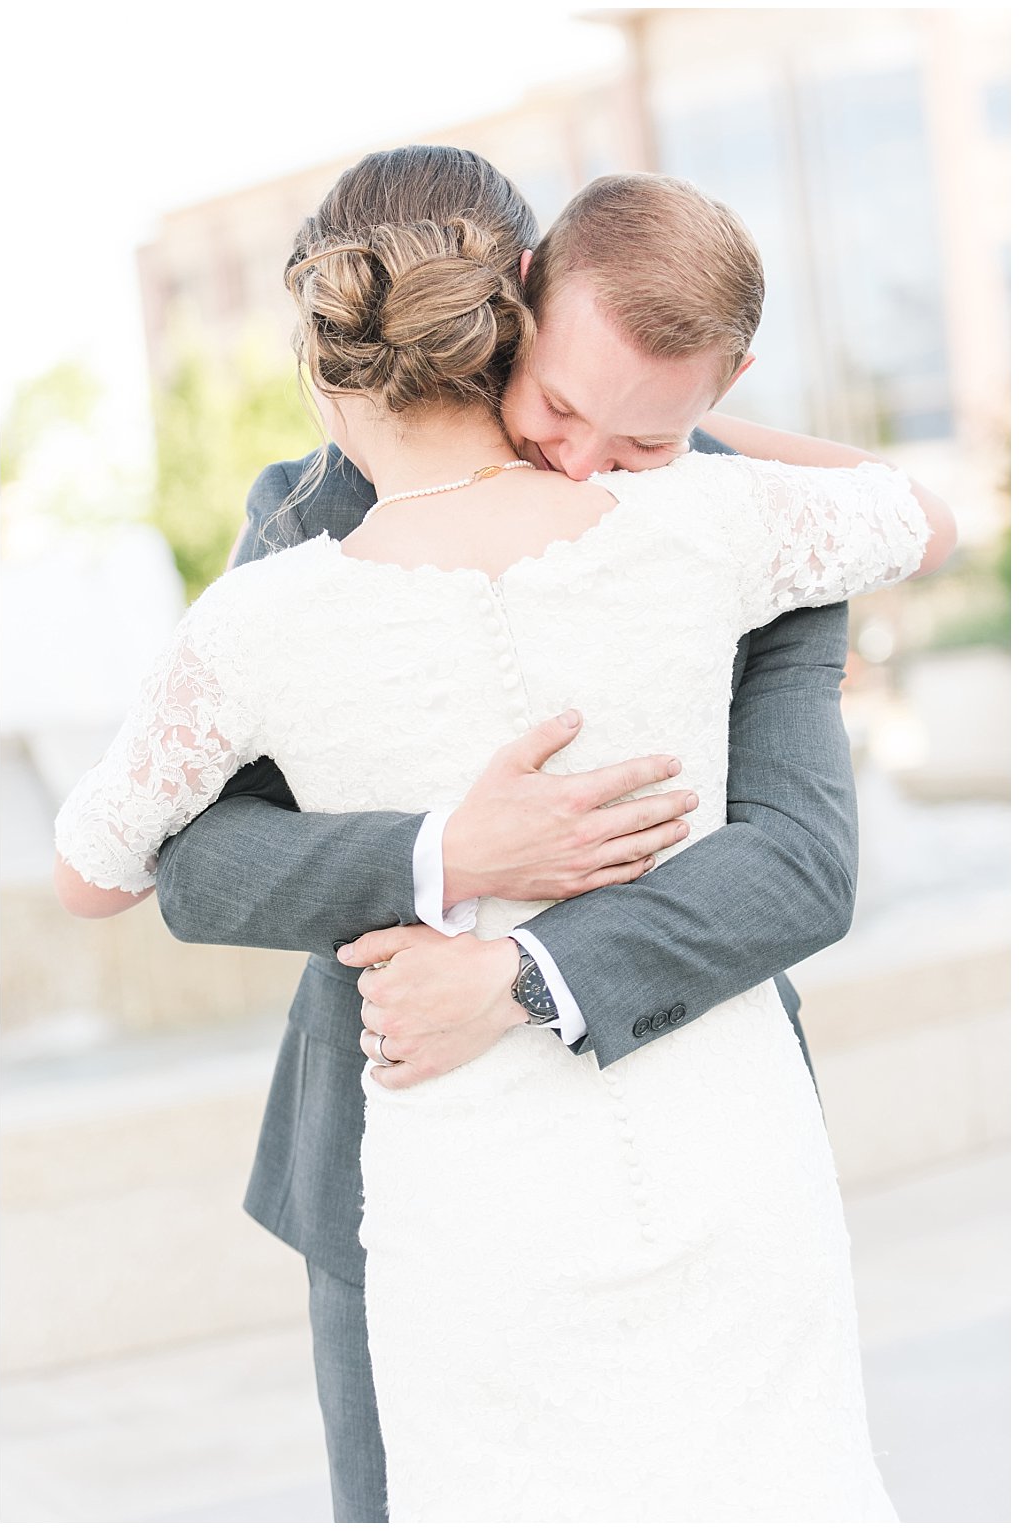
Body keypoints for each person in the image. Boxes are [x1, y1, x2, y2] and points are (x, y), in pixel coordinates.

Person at [52, 148, 952, 1519]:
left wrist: (519, 973)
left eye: (646, 436)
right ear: (513, 304)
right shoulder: (297, 525)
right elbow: (197, 868)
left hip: (689, 1099)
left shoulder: (729, 517)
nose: (587, 458)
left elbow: (800, 864)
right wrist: (446, 854)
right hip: (395, 1163)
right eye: (566, 406)